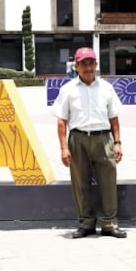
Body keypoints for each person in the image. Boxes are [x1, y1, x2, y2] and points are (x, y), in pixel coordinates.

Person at [51, 47, 127, 239]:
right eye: (83, 63)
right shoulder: (68, 90)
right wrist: (63, 148)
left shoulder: (106, 88)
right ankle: (86, 223)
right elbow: (61, 121)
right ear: (76, 66)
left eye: (91, 63)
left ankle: (109, 223)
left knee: (108, 180)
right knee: (80, 183)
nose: (88, 67)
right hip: (78, 139)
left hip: (103, 138)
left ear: (96, 65)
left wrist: (117, 143)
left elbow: (114, 118)